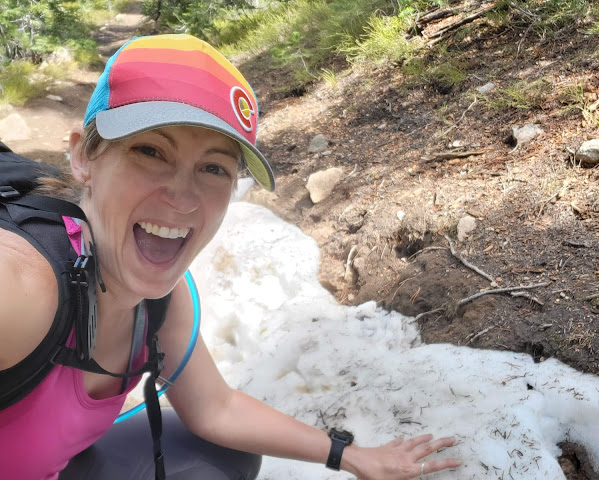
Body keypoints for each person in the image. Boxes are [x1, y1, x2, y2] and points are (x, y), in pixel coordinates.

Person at [0, 34, 462, 480]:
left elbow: (216, 408)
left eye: (213, 167)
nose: (183, 198)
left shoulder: (161, 300)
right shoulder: (23, 291)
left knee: (225, 456)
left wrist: (354, 457)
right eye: (150, 151)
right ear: (83, 156)